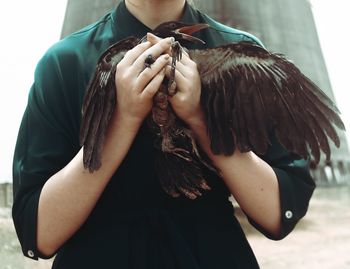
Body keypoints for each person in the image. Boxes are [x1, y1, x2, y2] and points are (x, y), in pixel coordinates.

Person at [12, 0, 315, 268]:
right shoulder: (66, 63)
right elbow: (39, 232)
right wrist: (122, 121)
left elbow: (280, 211)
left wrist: (203, 120)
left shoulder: (242, 55)